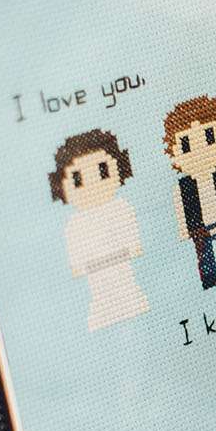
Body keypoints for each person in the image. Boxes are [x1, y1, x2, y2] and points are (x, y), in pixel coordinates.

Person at [48, 128, 150, 331]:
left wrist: (126, 250)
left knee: (128, 294)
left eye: (103, 170)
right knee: (103, 300)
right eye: (77, 179)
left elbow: (133, 243)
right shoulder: (75, 225)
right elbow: (77, 262)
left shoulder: (121, 208)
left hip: (124, 275)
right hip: (98, 280)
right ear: (61, 186)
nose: (92, 183)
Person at [163, 95, 216, 290]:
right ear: (173, 152)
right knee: (206, 259)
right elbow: (181, 208)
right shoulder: (182, 188)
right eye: (185, 144)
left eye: (209, 136)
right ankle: (210, 280)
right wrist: (184, 230)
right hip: (198, 228)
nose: (199, 148)